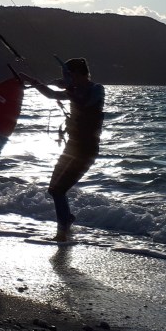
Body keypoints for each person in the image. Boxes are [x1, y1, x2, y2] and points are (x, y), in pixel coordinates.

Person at [20, 58, 105, 242]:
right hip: (71, 147)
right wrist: (31, 81)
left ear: (77, 73)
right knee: (54, 189)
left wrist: (69, 89)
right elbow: (50, 95)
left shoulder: (97, 89)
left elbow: (87, 104)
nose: (67, 79)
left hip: (86, 149)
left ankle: (62, 232)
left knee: (59, 190)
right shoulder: (73, 91)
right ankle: (67, 219)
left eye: (68, 75)